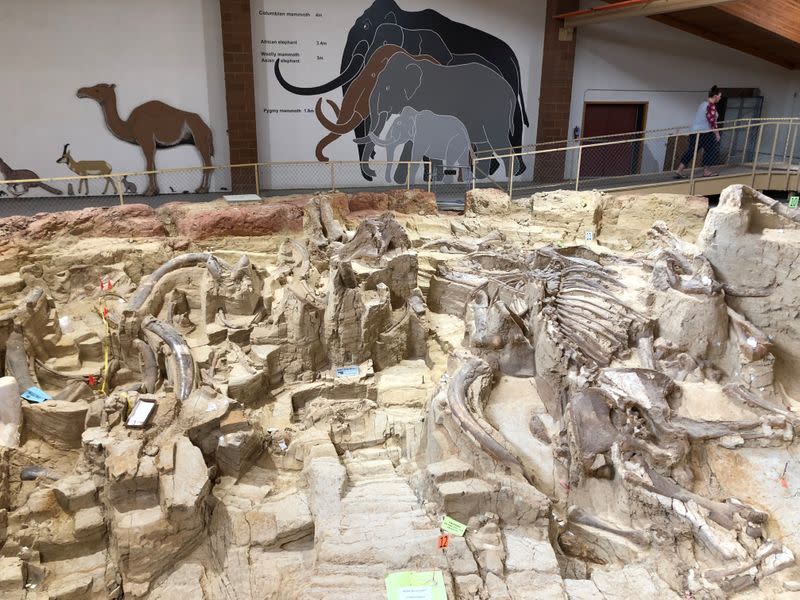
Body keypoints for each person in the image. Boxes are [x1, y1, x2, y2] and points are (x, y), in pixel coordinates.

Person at [675, 86, 723, 178]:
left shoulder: (703, 104)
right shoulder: (711, 106)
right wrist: (717, 134)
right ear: (715, 96)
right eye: (720, 96)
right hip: (705, 132)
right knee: (711, 150)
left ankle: (679, 170)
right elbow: (712, 121)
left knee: (691, 150)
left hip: (694, 132)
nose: (720, 98)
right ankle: (706, 171)